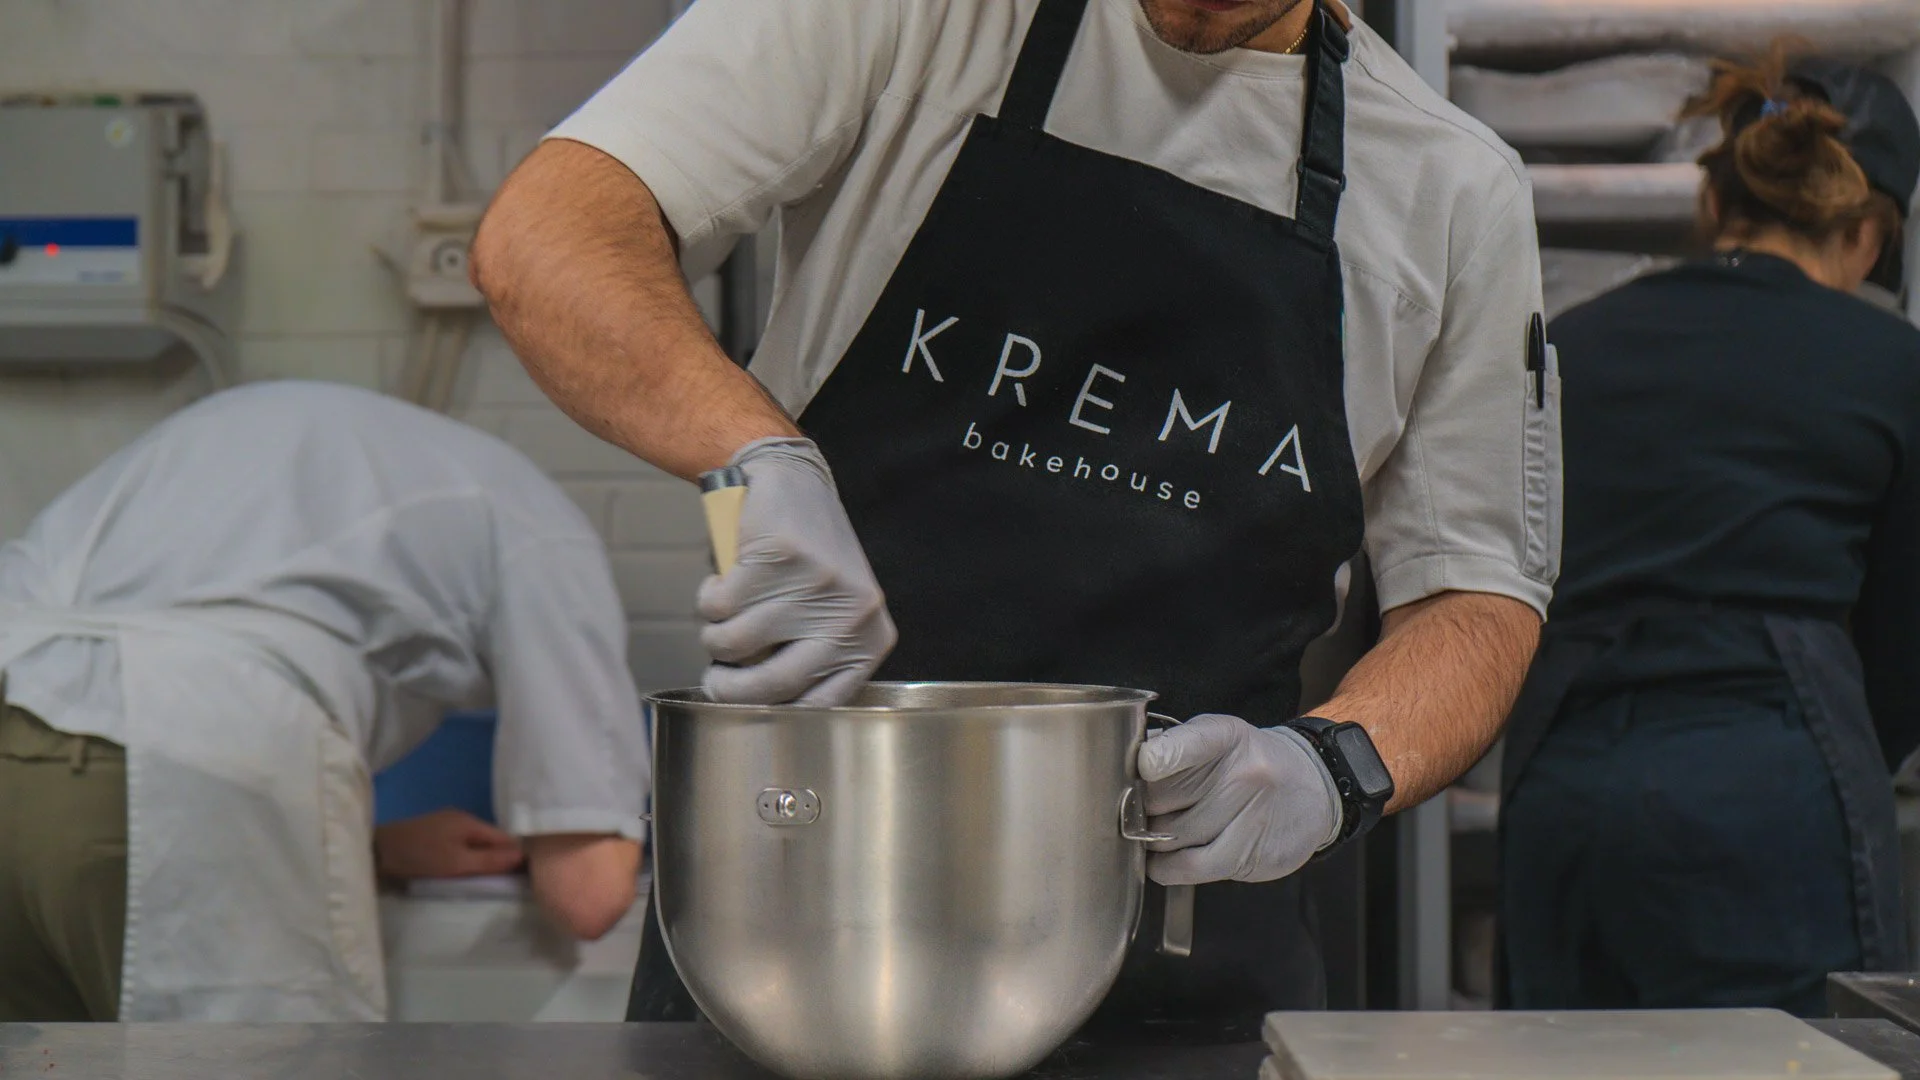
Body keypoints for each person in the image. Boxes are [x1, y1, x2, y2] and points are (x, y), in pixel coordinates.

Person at [472, 0, 1556, 1039]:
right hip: (793, 918)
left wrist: (1332, 769)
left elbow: (1478, 598)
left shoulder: (1451, 189)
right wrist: (755, 464)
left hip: (1175, 946)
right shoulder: (907, 17)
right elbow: (549, 233)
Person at [0, 381, 649, 1022]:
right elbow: (587, 894)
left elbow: (83, 723)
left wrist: (374, 847)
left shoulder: (271, 429)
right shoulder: (544, 531)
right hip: (188, 756)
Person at [1499, 47, 1920, 1016]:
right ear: (1866, 233)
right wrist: (1843, 752)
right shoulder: (1890, 363)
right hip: (1767, 786)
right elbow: (1907, 648)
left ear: (1712, 206)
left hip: (1564, 773)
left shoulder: (1572, 345)